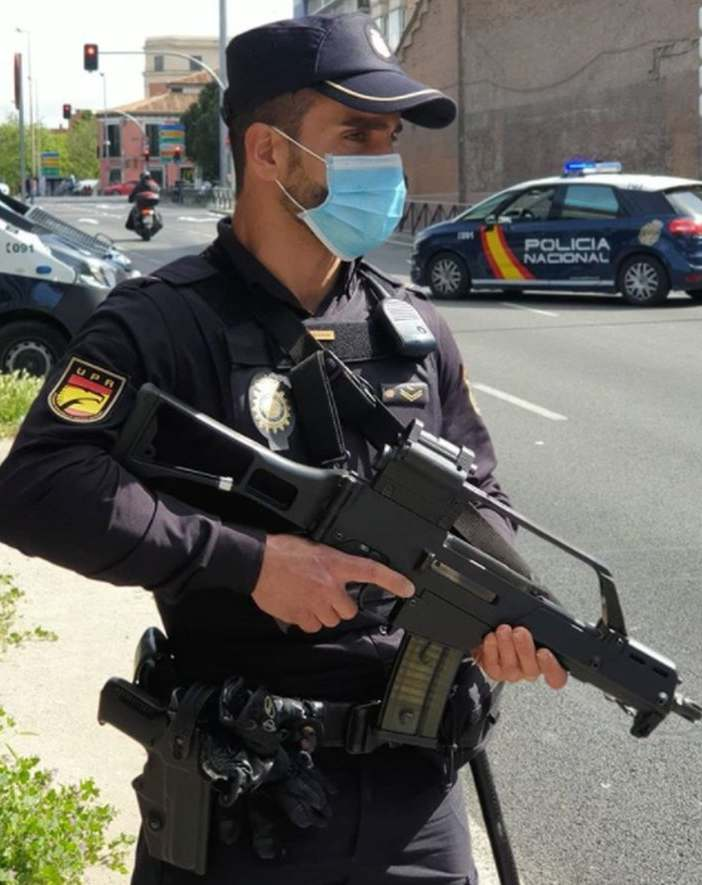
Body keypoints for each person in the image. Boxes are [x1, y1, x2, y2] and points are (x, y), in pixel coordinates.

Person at [0, 13, 567, 885]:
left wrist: (505, 618)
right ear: (267, 152)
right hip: (244, 801)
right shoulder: (157, 324)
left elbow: (481, 503)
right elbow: (36, 485)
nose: (387, 160)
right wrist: (250, 561)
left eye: (391, 137)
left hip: (418, 799)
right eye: (357, 134)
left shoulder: (412, 330)